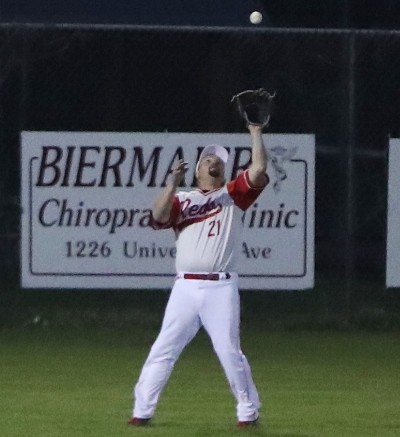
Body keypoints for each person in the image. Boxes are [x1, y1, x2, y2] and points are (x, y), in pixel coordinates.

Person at [128, 124, 269, 428]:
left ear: (224, 170)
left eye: (218, 160)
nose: (213, 161)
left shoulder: (233, 194)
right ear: (197, 171)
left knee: (229, 352)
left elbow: (258, 169)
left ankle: (248, 411)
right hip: (185, 288)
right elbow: (158, 217)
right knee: (163, 349)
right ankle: (142, 411)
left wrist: (255, 131)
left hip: (221, 286)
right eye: (207, 159)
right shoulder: (183, 199)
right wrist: (172, 185)